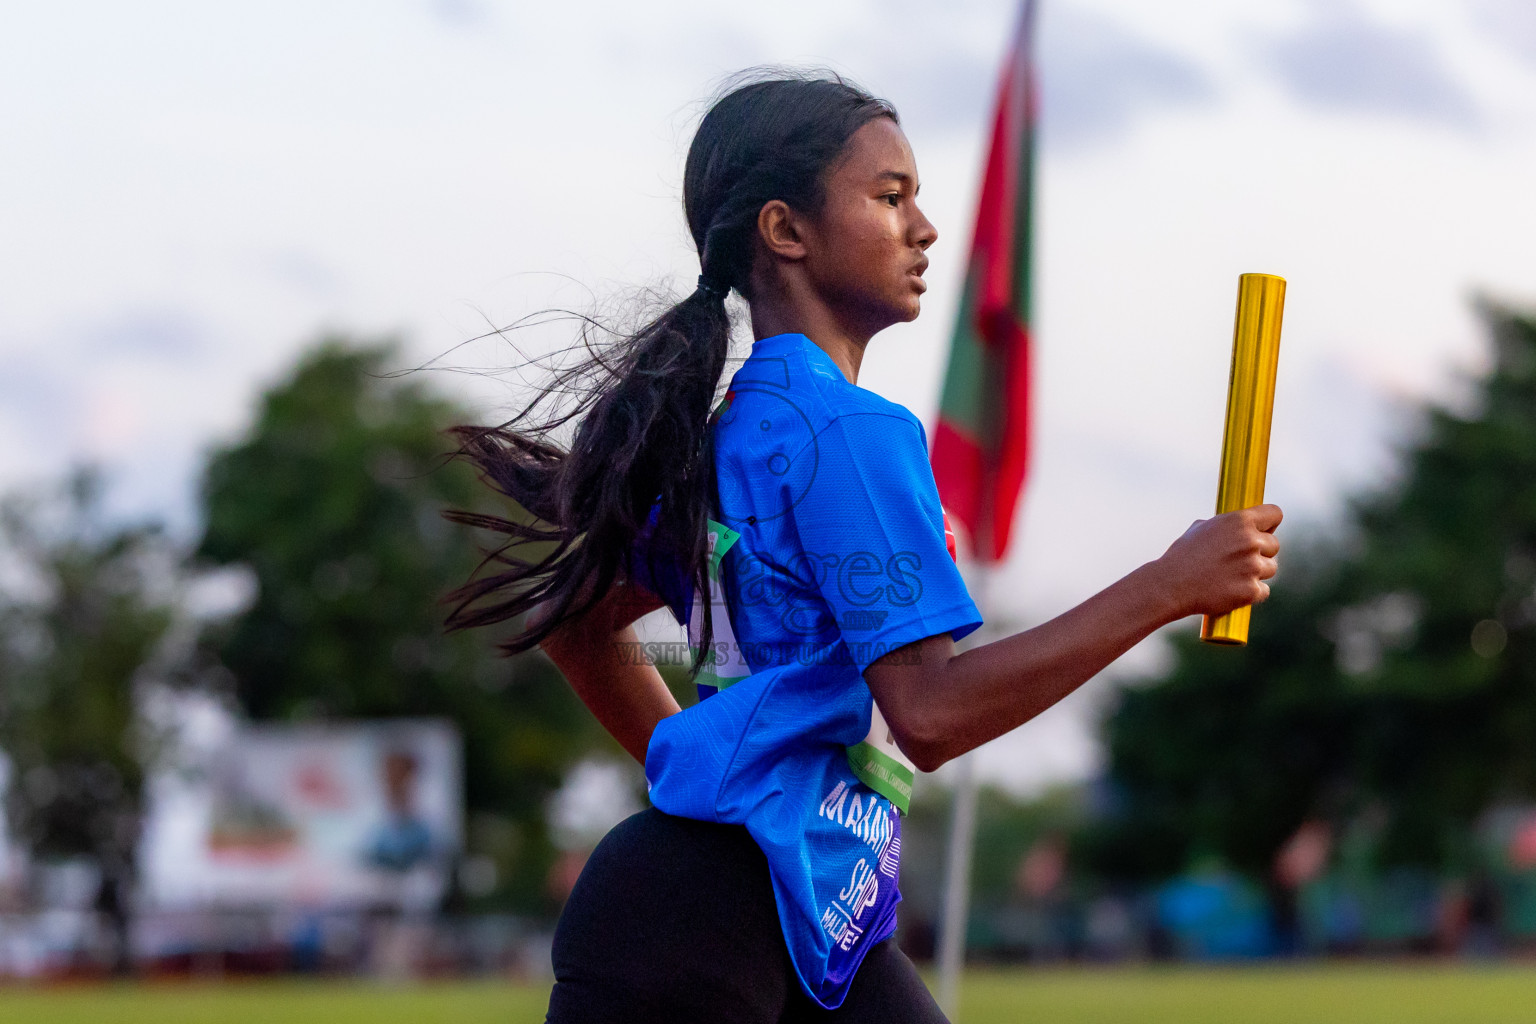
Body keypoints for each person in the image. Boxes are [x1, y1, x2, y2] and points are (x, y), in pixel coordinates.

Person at [445, 71, 1281, 1023]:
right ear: (785, 231)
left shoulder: (733, 428)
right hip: (705, 920)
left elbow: (578, 630)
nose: (925, 228)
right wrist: (1170, 585)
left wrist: (722, 777)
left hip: (792, 916)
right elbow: (928, 714)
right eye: (890, 198)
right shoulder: (847, 432)